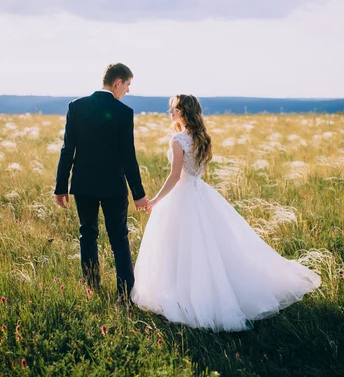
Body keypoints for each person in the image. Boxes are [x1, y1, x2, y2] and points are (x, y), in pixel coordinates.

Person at [131, 94, 321, 331]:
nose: (170, 112)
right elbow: (199, 171)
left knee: (180, 247)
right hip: (200, 193)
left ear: (183, 111)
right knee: (209, 247)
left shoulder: (178, 139)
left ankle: (185, 298)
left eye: (174, 109)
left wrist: (156, 200)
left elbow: (175, 176)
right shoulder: (202, 138)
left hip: (182, 196)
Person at [54, 63, 149, 302]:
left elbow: (68, 150)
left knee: (87, 234)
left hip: (83, 185)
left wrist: (60, 186)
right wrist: (138, 193)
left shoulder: (76, 107)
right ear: (118, 83)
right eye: (127, 85)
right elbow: (128, 155)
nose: (127, 90)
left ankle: (92, 287)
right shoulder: (124, 113)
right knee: (119, 237)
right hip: (113, 187)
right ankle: (125, 293)